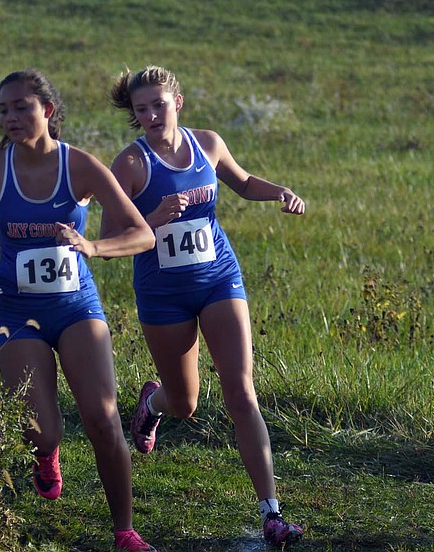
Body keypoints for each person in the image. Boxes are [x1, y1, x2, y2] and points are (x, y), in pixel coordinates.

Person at [109, 65, 306, 547]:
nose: (152, 115)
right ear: (134, 114)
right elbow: (112, 234)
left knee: (241, 393)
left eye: (159, 104)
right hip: (163, 292)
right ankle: (152, 404)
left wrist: (278, 191)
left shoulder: (208, 144)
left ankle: (272, 513)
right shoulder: (130, 165)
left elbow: (240, 181)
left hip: (219, 277)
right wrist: (151, 219)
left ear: (178, 102)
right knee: (186, 403)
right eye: (142, 109)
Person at [0, 70, 158, 552]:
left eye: (22, 107)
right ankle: (47, 453)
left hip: (75, 305)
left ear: (47, 111)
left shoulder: (81, 167)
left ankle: (124, 531)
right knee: (43, 429)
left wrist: (91, 245)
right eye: (4, 109)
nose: (10, 117)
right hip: (15, 309)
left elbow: (142, 234)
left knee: (102, 419)